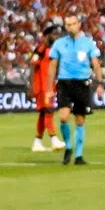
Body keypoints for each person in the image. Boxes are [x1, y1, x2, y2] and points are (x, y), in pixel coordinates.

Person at [48, 15, 103, 166]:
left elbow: (96, 64)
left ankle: (78, 156)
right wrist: (49, 88)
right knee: (63, 117)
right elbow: (52, 66)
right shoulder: (59, 44)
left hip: (82, 84)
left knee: (79, 120)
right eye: (67, 24)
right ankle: (69, 147)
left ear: (79, 25)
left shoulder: (88, 43)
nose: (70, 27)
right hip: (64, 84)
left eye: (73, 24)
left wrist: (99, 83)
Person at [30, 24, 65, 152]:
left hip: (49, 86)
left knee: (43, 114)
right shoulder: (41, 49)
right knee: (49, 111)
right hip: (42, 87)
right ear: (47, 36)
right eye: (54, 34)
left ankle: (37, 142)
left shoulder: (54, 50)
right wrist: (31, 87)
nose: (57, 37)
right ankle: (54, 139)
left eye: (58, 34)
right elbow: (33, 67)